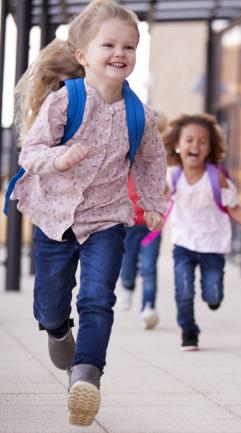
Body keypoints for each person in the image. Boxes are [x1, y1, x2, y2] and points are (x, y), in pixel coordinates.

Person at [10, 0, 166, 426]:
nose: (120, 53)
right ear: (83, 55)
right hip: (55, 219)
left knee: (98, 299)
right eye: (109, 44)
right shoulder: (65, 101)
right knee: (50, 304)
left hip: (107, 220)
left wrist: (153, 205)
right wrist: (58, 159)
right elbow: (32, 150)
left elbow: (153, 162)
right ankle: (57, 329)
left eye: (130, 47)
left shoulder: (140, 115)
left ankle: (87, 376)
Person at [163, 113, 241, 351]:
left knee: (212, 296)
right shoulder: (172, 176)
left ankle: (213, 297)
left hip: (213, 244)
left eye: (202, 141)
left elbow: (233, 207)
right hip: (184, 243)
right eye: (189, 140)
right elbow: (156, 201)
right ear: (178, 146)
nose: (195, 145)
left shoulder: (216, 177)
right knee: (183, 290)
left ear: (209, 148)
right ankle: (189, 332)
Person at [117, 112, 169, 329]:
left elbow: (166, 190)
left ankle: (148, 307)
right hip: (128, 224)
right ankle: (127, 286)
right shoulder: (126, 160)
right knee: (127, 266)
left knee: (149, 267)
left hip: (151, 226)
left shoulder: (159, 162)